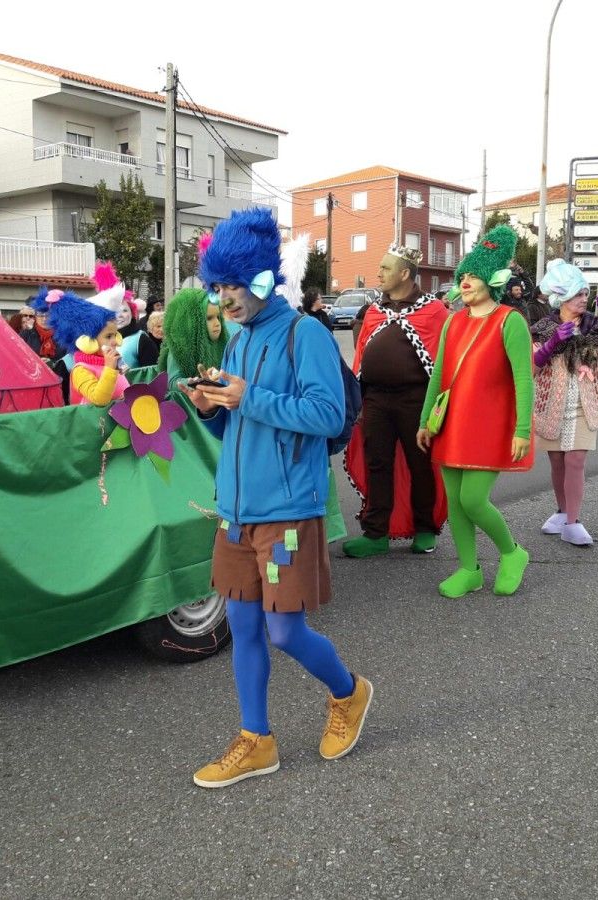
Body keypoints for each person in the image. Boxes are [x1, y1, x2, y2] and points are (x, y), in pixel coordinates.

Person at [180, 207, 372, 789]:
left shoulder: (304, 333)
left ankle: (349, 692)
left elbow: (326, 413)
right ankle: (256, 738)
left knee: (285, 631)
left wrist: (249, 397)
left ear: (264, 276)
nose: (226, 298)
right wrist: (212, 411)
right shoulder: (238, 343)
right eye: (218, 287)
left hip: (288, 514)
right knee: (243, 629)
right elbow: (237, 425)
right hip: (235, 515)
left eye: (234, 284)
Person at [416, 224, 534, 599]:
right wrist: (424, 422)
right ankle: (469, 569)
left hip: (491, 428)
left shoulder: (510, 320)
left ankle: (512, 553)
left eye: (473, 275)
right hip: (452, 425)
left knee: (472, 500)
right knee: (454, 502)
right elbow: (439, 375)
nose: (465, 282)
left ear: (492, 278)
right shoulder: (454, 321)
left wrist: (523, 429)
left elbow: (523, 380)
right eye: (462, 275)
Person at [342, 244, 447, 558]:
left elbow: (446, 361)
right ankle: (376, 533)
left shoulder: (434, 310)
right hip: (375, 399)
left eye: (386, 268)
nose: (379, 273)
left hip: (416, 400)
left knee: (421, 465)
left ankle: (425, 528)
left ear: (405, 273)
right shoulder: (375, 310)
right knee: (378, 464)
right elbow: (361, 353)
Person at [530, 261, 598, 547]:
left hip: (585, 405)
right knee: (557, 462)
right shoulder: (542, 328)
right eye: (578, 293)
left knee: (575, 459)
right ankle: (563, 513)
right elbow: (530, 368)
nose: (583, 298)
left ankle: (573, 522)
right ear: (562, 297)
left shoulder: (597, 326)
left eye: (585, 293)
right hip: (551, 404)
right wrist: (552, 344)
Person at [34, 286, 127, 406]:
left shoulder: (109, 364)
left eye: (115, 335)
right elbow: (99, 400)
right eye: (109, 336)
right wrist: (109, 369)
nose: (115, 342)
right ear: (87, 340)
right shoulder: (81, 370)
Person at [157, 287, 230, 391]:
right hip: (190, 405)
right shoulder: (180, 348)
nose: (217, 324)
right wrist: (195, 382)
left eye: (218, 317)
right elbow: (173, 381)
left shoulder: (225, 343)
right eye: (209, 318)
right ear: (192, 322)